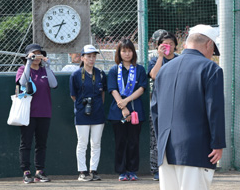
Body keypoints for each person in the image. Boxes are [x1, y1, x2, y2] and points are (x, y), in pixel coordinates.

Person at [151, 24, 225, 190]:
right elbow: (214, 108)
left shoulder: (165, 69)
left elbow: (155, 111)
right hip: (196, 147)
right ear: (207, 45)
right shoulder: (210, 68)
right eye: (213, 49)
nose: (212, 53)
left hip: (166, 148)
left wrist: (162, 141)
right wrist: (218, 143)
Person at [16, 44, 58, 183]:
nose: (37, 56)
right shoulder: (22, 69)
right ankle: (26, 171)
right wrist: (28, 62)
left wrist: (48, 66)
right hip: (28, 113)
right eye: (34, 54)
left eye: (39, 53)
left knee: (41, 143)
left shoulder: (44, 70)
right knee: (26, 143)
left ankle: (40, 171)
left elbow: (53, 84)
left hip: (44, 112)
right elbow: (22, 82)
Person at [107, 38, 148, 181]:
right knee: (120, 142)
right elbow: (112, 89)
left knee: (133, 142)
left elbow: (142, 89)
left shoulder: (140, 69)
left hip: (136, 110)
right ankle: (121, 171)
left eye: (129, 50)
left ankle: (132, 170)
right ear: (119, 52)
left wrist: (127, 101)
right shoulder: (113, 70)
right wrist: (123, 106)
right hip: (117, 112)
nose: (127, 54)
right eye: (124, 51)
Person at [70, 45, 107, 181]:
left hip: (98, 113)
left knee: (96, 142)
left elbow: (103, 93)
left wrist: (97, 105)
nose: (91, 59)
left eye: (93, 56)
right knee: (82, 142)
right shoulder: (75, 75)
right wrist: (82, 105)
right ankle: (82, 172)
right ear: (82, 57)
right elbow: (73, 95)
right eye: (89, 56)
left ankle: (93, 170)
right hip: (81, 113)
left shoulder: (101, 74)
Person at [148, 31, 179, 181]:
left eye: (171, 44)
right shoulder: (155, 61)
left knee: (176, 136)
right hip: (159, 104)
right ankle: (156, 169)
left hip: (177, 104)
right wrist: (160, 56)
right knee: (156, 137)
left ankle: (176, 166)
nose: (168, 47)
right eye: (164, 44)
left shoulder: (180, 60)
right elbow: (154, 75)